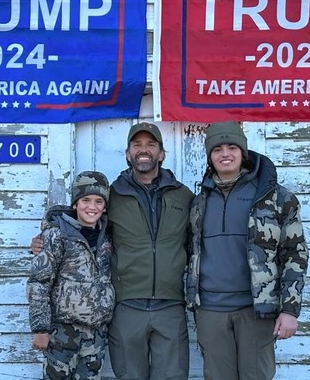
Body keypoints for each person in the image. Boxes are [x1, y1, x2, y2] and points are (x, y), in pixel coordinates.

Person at [32, 122, 194, 380]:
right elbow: (77, 220)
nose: (144, 150)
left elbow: (195, 242)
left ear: (162, 153)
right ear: (128, 153)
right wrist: (45, 235)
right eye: (137, 144)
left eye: (151, 144)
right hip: (126, 305)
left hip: (170, 304)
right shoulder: (113, 195)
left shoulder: (183, 196)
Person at [186, 121, 309, 380]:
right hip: (211, 310)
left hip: (256, 309)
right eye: (217, 148)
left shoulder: (276, 198)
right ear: (210, 156)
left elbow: (294, 254)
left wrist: (289, 310)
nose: (225, 154)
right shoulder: (199, 201)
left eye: (232, 147)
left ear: (243, 152)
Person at [27, 171, 114, 379]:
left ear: (104, 207)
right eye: (85, 200)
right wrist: (40, 328)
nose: (91, 207)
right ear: (75, 203)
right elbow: (39, 282)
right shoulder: (57, 235)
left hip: (96, 334)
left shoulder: (109, 237)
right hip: (63, 333)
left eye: (98, 201)